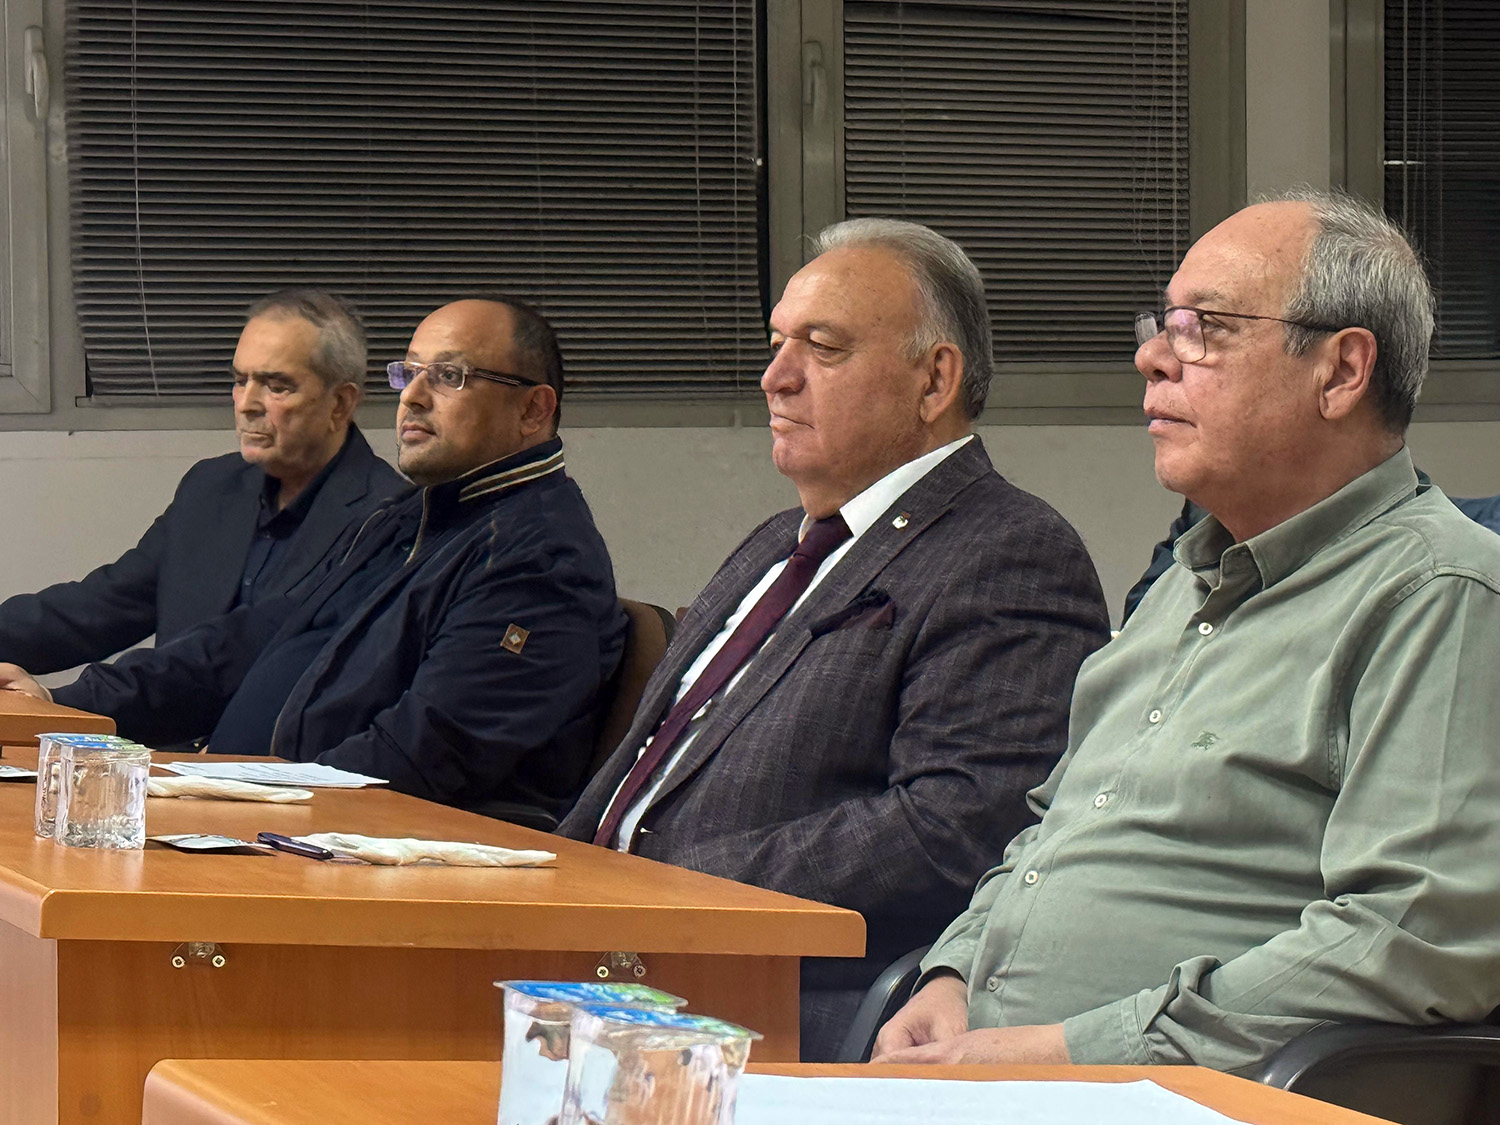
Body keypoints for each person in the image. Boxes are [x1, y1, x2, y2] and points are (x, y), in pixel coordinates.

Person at [873, 190, 1500, 1078]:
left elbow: (1408, 936)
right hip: (994, 1072)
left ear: (1341, 371)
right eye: (1161, 324)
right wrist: (952, 973)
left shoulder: (1441, 592)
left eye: (1206, 328)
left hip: (1178, 1096)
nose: (1152, 357)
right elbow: (1057, 828)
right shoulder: (1183, 582)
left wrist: (1070, 1053)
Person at [561, 219, 1111, 1060]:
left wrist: (668, 885)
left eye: (822, 348)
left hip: (759, 991)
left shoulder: (1010, 550)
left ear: (935, 380)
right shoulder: (775, 539)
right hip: (600, 945)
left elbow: (955, 825)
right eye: (777, 344)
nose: (775, 378)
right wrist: (551, 878)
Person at [1, 298, 627, 817]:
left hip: (380, 862)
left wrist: (221, 793)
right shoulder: (412, 519)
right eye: (409, 373)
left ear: (533, 409)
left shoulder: (538, 557)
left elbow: (419, 759)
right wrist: (66, 707)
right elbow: (249, 643)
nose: (412, 397)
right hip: (279, 816)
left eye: (450, 376)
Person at [0, 290, 404, 673]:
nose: (247, 404)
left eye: (276, 386)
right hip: (158, 718)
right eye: (240, 380)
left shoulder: (390, 520)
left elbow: (241, 661)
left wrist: (69, 696)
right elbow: (102, 607)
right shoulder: (212, 486)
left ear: (340, 403)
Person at [1123, 487, 1500, 623]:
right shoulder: (1205, 516)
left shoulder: (1453, 569)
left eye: (1214, 336)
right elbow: (1141, 618)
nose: (1150, 359)